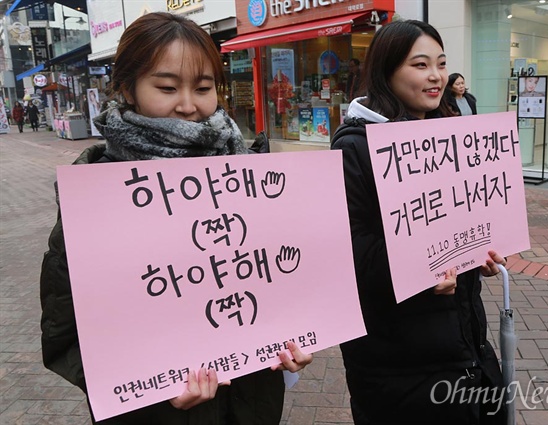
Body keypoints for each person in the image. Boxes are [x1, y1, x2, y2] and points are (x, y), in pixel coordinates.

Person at [40, 12, 311, 425]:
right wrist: (152, 389)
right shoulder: (95, 199)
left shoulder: (249, 178)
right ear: (128, 88)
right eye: (167, 88)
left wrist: (296, 336)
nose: (188, 106)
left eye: (203, 88)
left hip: (252, 406)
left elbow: (279, 286)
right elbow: (64, 335)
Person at [331, 20, 507, 425]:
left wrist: (474, 253)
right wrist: (416, 269)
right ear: (387, 70)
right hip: (397, 363)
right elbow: (348, 254)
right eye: (420, 64)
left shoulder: (450, 135)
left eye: (441, 64)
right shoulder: (354, 147)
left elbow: (457, 224)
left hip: (464, 346)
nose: (436, 76)